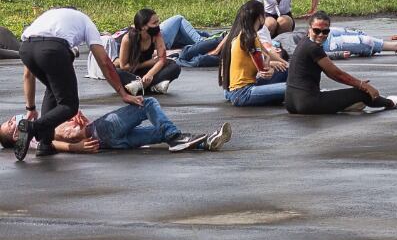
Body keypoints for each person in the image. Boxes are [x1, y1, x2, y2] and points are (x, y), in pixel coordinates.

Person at [13, 6, 140, 162]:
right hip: (52, 50)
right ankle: (33, 128)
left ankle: (45, 144)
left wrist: (30, 108)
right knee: (69, 105)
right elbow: (104, 61)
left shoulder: (46, 18)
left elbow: (27, 75)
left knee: (53, 90)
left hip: (26, 49)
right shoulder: (84, 20)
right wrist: (123, 93)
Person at [3, 85, 228, 154]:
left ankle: (204, 142)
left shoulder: (38, 123)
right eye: (10, 123)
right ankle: (177, 138)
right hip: (100, 132)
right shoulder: (32, 134)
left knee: (160, 133)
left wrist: (72, 116)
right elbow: (51, 142)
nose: (14, 119)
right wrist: (78, 147)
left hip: (110, 142)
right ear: (15, 135)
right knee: (146, 103)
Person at [285, 12, 397, 115]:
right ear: (309, 29)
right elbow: (336, 74)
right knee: (361, 94)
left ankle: (349, 105)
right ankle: (393, 103)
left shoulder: (304, 42)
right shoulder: (313, 48)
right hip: (307, 104)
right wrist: (362, 85)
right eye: (317, 31)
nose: (321, 35)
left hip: (291, 102)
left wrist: (356, 83)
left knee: (344, 94)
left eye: (325, 32)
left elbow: (331, 73)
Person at [218, 0, 290, 107]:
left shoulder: (245, 35)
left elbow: (268, 53)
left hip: (232, 91)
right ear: (260, 18)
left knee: (286, 70)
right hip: (243, 93)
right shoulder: (250, 38)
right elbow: (262, 68)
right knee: (294, 87)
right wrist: (270, 65)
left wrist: (286, 64)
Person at [115, 8, 182, 95]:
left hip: (147, 72)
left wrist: (150, 74)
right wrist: (147, 63)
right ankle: (153, 86)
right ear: (143, 26)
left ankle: (139, 86)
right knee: (116, 71)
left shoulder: (156, 35)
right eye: (154, 23)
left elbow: (162, 59)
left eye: (158, 22)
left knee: (174, 67)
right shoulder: (128, 39)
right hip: (132, 72)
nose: (158, 25)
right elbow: (123, 66)